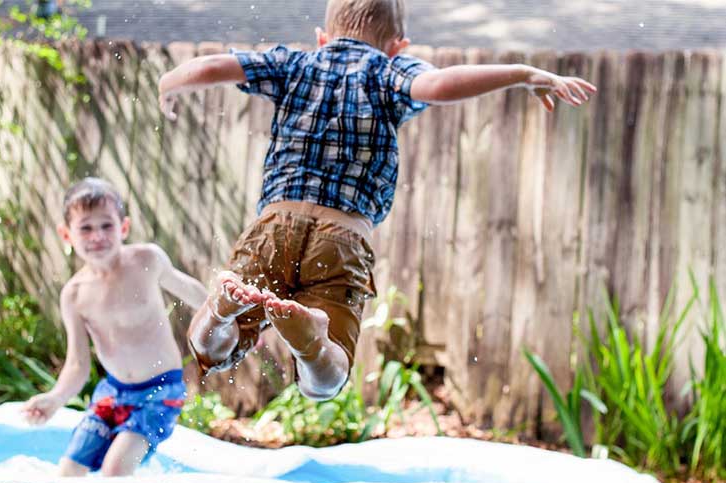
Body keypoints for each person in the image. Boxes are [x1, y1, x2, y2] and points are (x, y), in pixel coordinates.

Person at [157, 0, 596, 402]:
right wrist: (523, 73)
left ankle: (220, 310)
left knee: (211, 350)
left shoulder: (293, 64)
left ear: (322, 38)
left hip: (275, 224)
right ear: (397, 46)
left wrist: (169, 83)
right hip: (344, 236)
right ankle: (311, 344)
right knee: (326, 380)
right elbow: (440, 85)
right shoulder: (389, 71)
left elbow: (214, 65)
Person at [21, 177, 207, 476]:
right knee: (67, 473)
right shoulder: (74, 294)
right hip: (113, 392)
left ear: (123, 227)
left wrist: (232, 321)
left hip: (161, 389)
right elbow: (78, 364)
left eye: (106, 226)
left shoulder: (146, 260)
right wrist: (54, 399)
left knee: (115, 471)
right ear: (66, 234)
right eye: (86, 228)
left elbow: (194, 293)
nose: (97, 236)